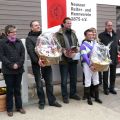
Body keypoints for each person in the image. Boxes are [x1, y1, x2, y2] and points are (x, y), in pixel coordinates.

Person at [26, 20, 62, 110]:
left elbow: (51, 47)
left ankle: (52, 101)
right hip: (37, 65)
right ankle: (41, 101)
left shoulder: (45, 36)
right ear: (31, 27)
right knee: (39, 84)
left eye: (38, 25)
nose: (38, 26)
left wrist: (54, 53)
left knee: (49, 83)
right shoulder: (29, 38)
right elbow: (31, 51)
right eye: (35, 25)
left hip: (47, 63)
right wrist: (37, 61)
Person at [0, 25, 26, 116]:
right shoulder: (2, 42)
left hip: (18, 70)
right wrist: (11, 65)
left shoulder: (19, 42)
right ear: (8, 33)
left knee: (18, 89)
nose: (15, 33)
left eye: (16, 32)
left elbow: (23, 55)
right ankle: (9, 109)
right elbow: (2, 56)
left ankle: (19, 107)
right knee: (10, 90)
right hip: (8, 70)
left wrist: (18, 64)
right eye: (13, 32)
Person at [56, 17, 80, 104]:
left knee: (74, 78)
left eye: (70, 23)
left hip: (73, 59)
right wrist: (64, 51)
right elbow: (56, 46)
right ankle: (65, 96)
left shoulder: (73, 33)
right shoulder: (58, 34)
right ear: (63, 24)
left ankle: (73, 94)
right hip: (64, 60)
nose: (70, 24)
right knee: (64, 79)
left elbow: (77, 43)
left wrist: (76, 49)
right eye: (68, 23)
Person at [80, 29, 102, 105]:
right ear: (85, 36)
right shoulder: (83, 45)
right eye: (89, 35)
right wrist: (90, 65)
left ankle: (97, 97)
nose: (91, 36)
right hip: (87, 65)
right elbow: (84, 56)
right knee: (88, 81)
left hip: (95, 64)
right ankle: (89, 99)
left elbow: (99, 54)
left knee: (96, 80)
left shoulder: (95, 43)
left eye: (92, 34)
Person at [98, 20, 118, 95]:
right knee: (105, 74)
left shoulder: (115, 35)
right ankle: (106, 89)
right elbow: (99, 47)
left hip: (114, 57)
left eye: (111, 25)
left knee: (113, 75)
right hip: (105, 58)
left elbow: (117, 45)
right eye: (109, 25)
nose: (110, 27)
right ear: (105, 26)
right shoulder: (101, 35)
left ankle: (111, 88)